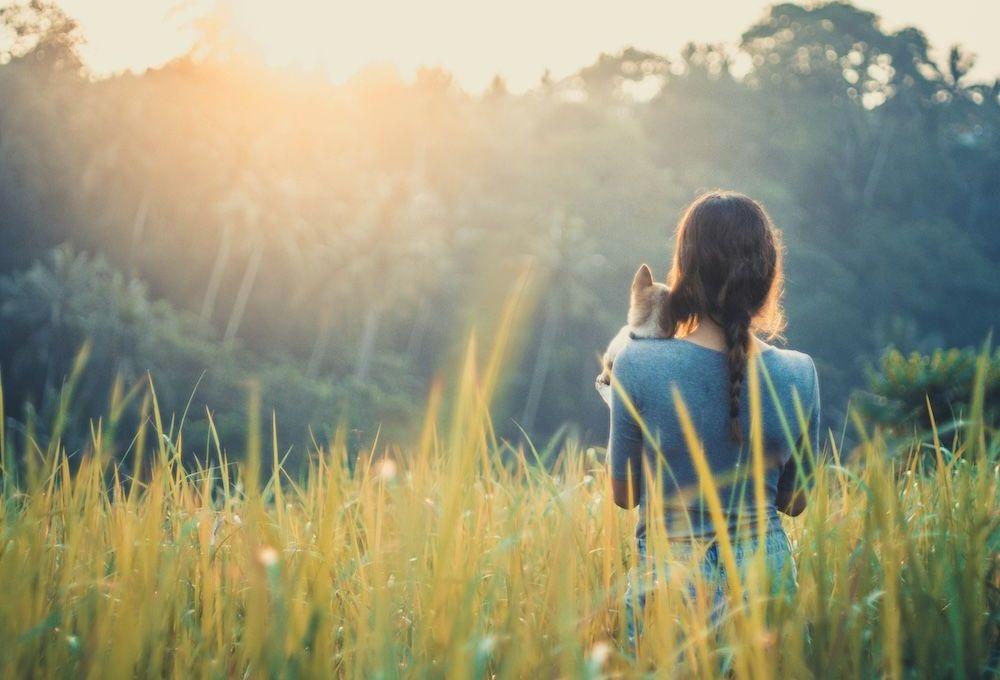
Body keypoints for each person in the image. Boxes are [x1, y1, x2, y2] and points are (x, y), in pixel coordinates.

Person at [606, 190, 821, 650]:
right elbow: (795, 502)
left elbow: (624, 495)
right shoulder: (800, 373)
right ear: (766, 278)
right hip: (767, 588)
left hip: (670, 587)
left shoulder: (637, 365)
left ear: (684, 274)